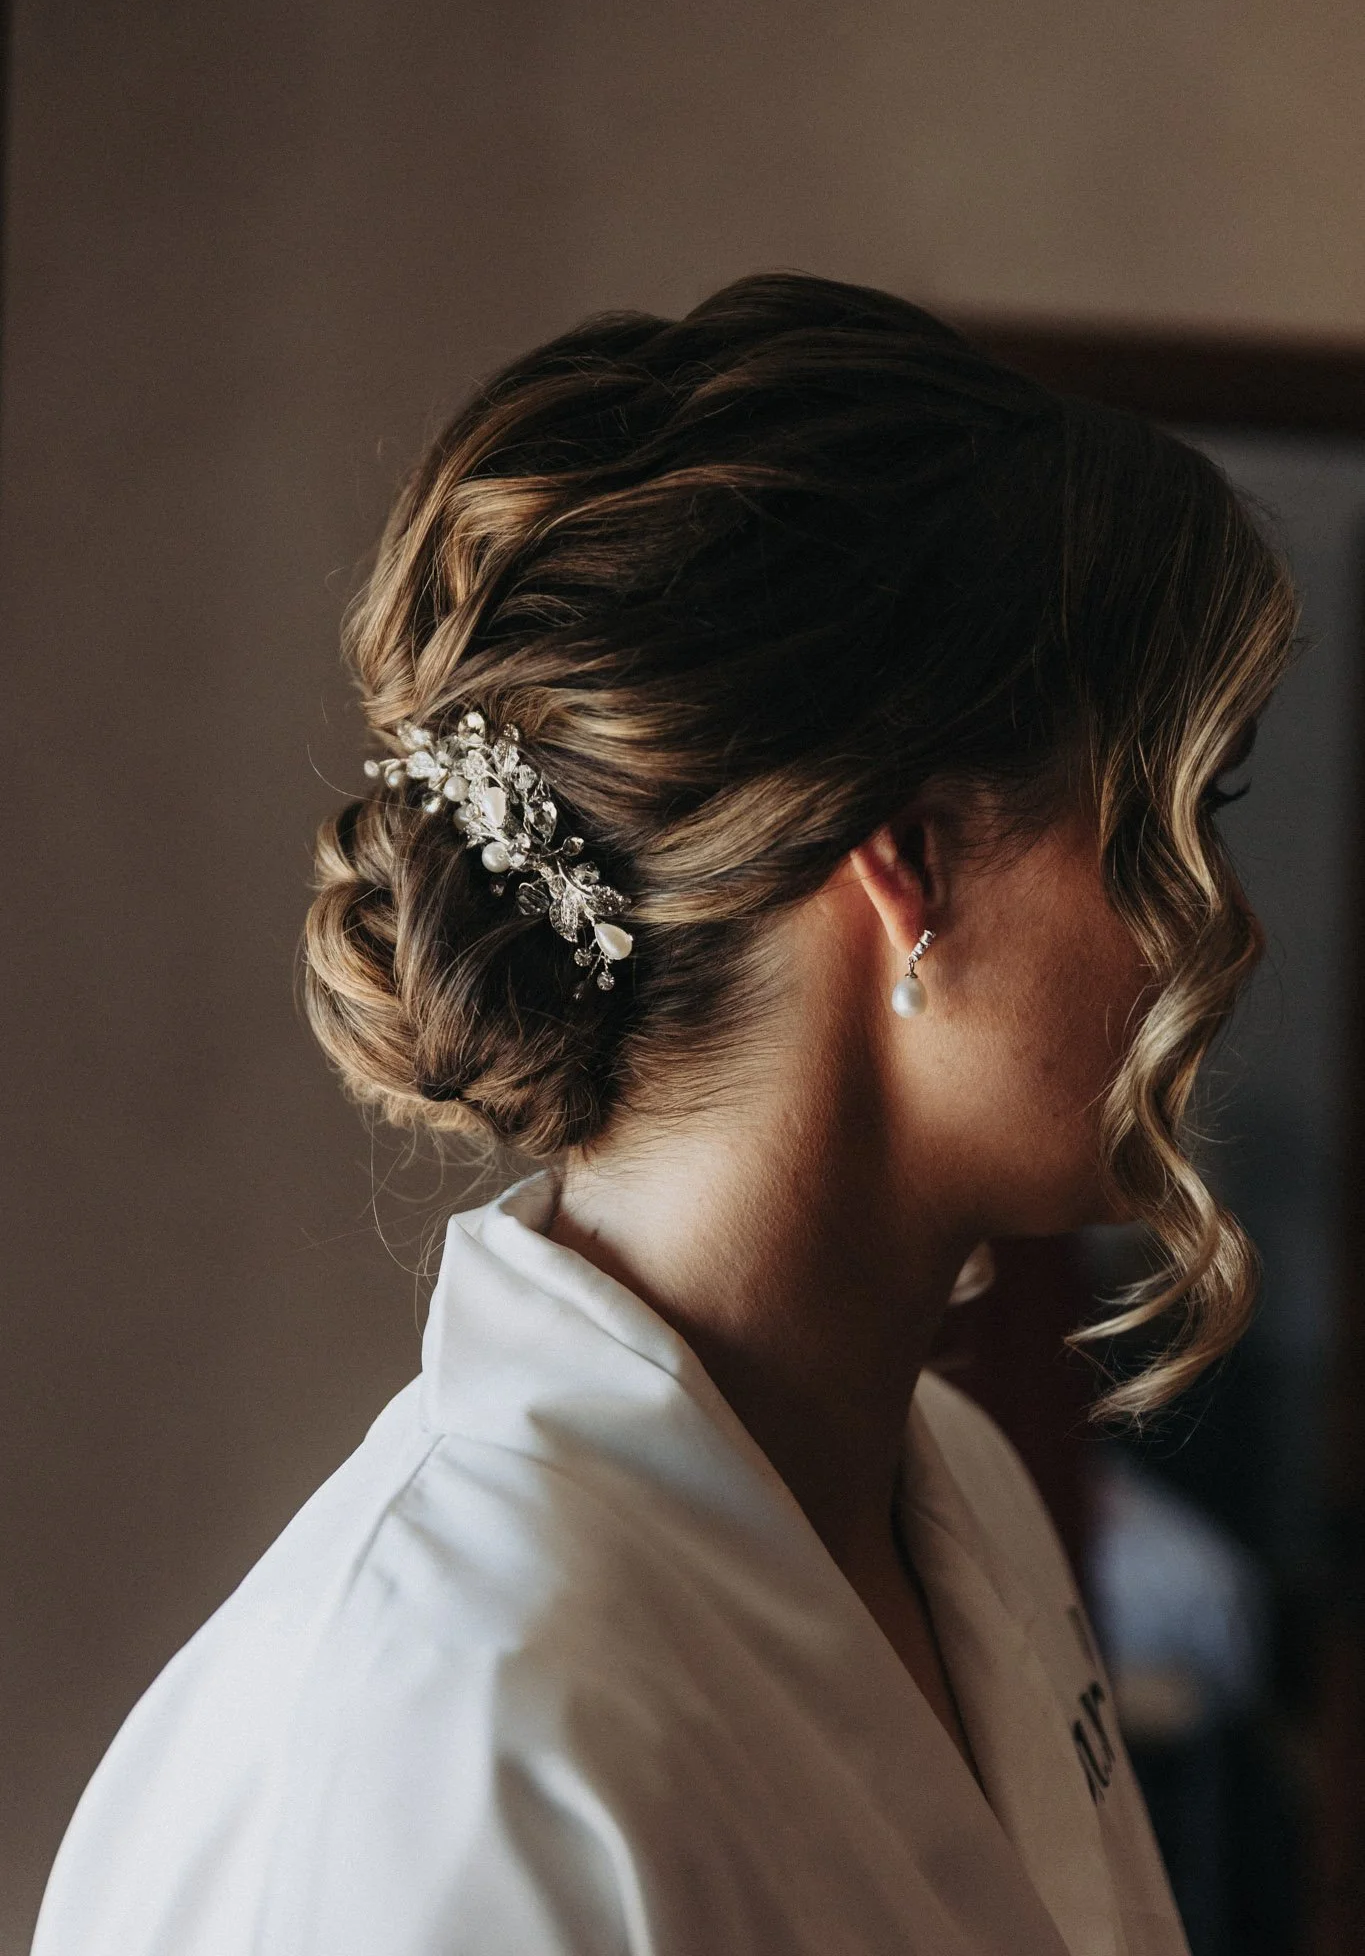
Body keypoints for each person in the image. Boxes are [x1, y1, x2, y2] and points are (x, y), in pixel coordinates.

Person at [32, 275, 1297, 1955]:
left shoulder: (965, 1492)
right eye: (1175, 818)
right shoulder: (453, 1753)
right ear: (907, 865)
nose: (1225, 924)